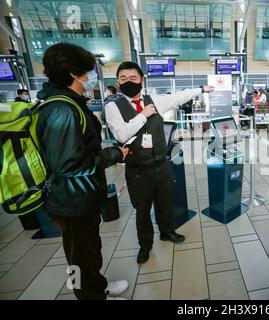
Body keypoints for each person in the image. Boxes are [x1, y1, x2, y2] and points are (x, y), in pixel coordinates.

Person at [35, 43, 130, 300]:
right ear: (73, 73)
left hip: (81, 197)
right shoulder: (61, 110)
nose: (89, 77)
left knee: (88, 250)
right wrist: (114, 154)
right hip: (71, 201)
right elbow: (69, 163)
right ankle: (89, 295)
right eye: (86, 72)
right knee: (79, 255)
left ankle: (95, 287)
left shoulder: (67, 103)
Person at [104, 61, 214, 264]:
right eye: (123, 79)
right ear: (118, 82)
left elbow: (178, 97)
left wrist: (201, 89)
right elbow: (121, 134)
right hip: (138, 169)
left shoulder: (153, 99)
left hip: (161, 165)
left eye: (133, 78)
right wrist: (143, 115)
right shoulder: (113, 106)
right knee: (143, 210)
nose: (128, 82)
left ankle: (167, 232)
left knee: (165, 203)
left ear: (142, 80)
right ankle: (145, 246)